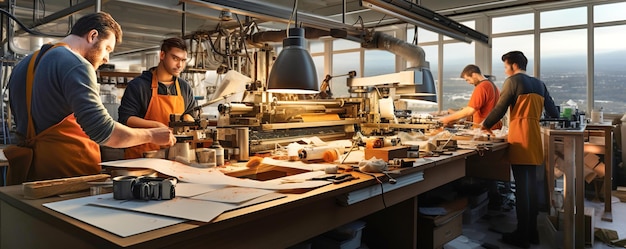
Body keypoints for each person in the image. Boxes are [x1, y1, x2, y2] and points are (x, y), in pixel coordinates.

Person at [6, 12, 176, 184]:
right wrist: (152, 135)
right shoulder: (77, 64)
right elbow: (105, 132)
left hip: (29, 176)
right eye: (107, 48)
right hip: (66, 177)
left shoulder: (24, 65)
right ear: (92, 35)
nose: (106, 58)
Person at [481, 51, 560, 248]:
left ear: (513, 65)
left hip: (520, 139)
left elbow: (499, 108)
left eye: (506, 65)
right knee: (530, 189)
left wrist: (485, 125)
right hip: (534, 139)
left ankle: (521, 236)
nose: (505, 69)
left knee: (522, 192)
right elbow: (554, 113)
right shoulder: (539, 84)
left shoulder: (513, 81)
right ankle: (532, 233)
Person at [118, 37, 196, 159]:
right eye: (175, 58)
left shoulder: (184, 88)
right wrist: (157, 126)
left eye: (183, 60)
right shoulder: (139, 85)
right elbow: (126, 119)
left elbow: (191, 115)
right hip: (142, 156)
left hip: (175, 156)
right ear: (162, 55)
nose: (179, 65)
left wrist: (188, 119)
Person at [438, 64, 502, 130]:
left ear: (474, 75)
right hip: (494, 128)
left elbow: (470, 110)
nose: (469, 82)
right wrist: (454, 118)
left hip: (484, 130)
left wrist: (447, 119)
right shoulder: (493, 85)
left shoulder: (482, 87)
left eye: (468, 79)